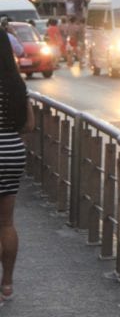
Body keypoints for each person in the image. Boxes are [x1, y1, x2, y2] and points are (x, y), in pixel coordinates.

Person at [0, 28, 28, 306]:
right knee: (6, 223)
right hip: (11, 151)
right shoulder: (16, 85)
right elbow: (28, 125)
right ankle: (6, 284)